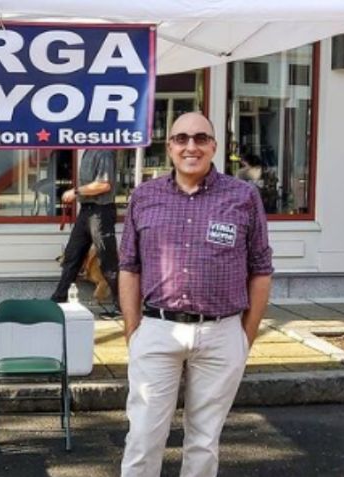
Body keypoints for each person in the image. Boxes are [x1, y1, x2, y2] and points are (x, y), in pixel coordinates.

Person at [118, 112, 273, 477]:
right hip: (157, 328)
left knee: (204, 441)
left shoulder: (243, 196)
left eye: (201, 138)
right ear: (169, 146)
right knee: (142, 437)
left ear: (214, 146)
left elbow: (261, 270)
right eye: (182, 138)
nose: (192, 146)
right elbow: (128, 266)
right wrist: (132, 331)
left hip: (221, 332)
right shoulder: (144, 196)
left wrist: (243, 337)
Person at [50, 148, 121, 316]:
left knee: (108, 261)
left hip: (101, 211)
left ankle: (121, 305)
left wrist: (76, 191)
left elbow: (104, 184)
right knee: (72, 255)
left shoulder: (104, 151)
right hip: (86, 210)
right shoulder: (88, 151)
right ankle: (57, 300)